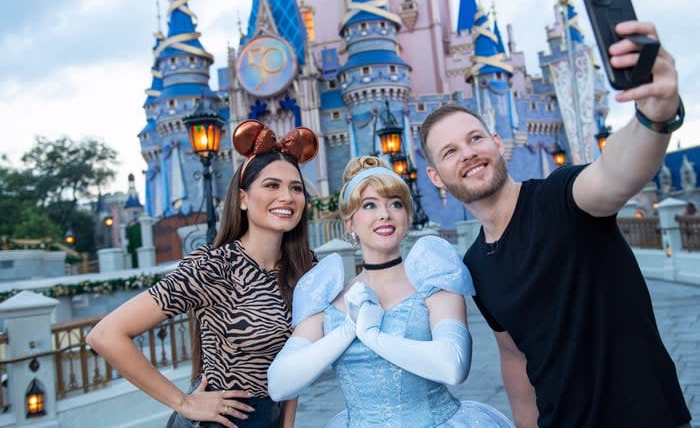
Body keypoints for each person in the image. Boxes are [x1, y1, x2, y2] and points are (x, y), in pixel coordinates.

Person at [420, 20, 691, 428]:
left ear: (497, 141)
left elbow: (614, 175)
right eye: (450, 151)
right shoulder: (475, 263)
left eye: (475, 139)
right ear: (436, 176)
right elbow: (514, 357)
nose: (469, 154)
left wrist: (654, 116)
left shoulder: (560, 198)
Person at [87, 120, 319, 428]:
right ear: (244, 199)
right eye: (271, 185)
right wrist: (184, 402)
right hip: (220, 421)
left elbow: (294, 364)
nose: (287, 197)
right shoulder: (214, 266)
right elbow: (105, 335)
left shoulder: (304, 268)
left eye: (296, 188)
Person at [267, 156, 514, 427]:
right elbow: (279, 384)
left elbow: (453, 366)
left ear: (406, 217)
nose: (384, 214)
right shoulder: (329, 296)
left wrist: (372, 336)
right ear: (350, 224)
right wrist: (347, 329)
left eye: (395, 204)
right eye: (369, 205)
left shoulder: (433, 280)